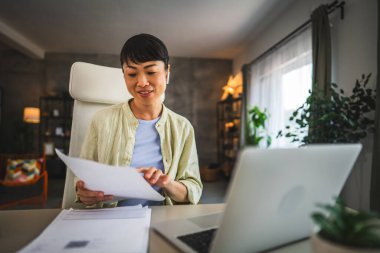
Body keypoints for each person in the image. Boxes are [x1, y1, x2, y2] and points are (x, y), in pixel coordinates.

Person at [75, 34, 203, 207]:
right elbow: (83, 181)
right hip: (111, 221)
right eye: (132, 74)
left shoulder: (183, 127)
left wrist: (166, 183)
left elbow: (193, 190)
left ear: (167, 73)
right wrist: (84, 192)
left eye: (151, 72)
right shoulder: (101, 120)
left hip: (163, 221)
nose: (141, 82)